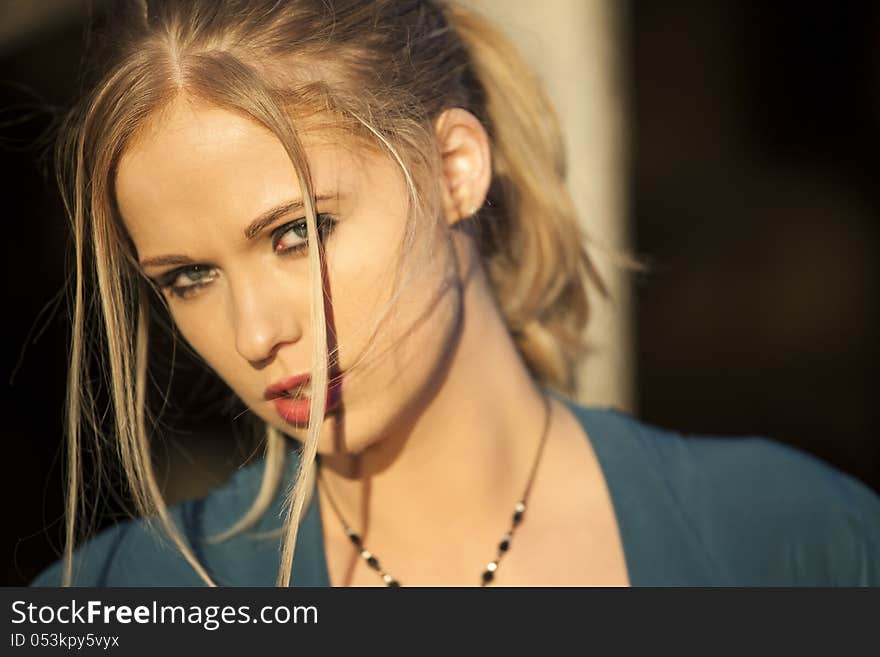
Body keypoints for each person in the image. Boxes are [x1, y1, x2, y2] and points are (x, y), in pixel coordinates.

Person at [31, 0, 879, 588]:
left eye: (297, 233)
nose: (253, 333)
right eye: (190, 277)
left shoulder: (791, 538)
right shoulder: (119, 596)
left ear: (453, 170)